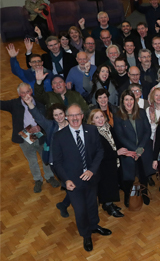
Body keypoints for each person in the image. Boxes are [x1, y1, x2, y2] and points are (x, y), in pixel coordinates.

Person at [52, 104, 111, 252]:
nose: (75, 118)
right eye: (71, 115)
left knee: (92, 205)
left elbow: (99, 151)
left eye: (77, 114)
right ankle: (86, 235)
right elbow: (57, 163)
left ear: (82, 115)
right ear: (66, 117)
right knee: (80, 210)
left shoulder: (91, 130)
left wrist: (92, 170)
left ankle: (94, 226)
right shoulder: (59, 136)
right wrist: (66, 180)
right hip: (73, 182)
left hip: (91, 177)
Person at [1, 83, 60, 194]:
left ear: (31, 91)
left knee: (45, 157)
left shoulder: (39, 103)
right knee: (32, 160)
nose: (25, 95)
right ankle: (38, 180)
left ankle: (50, 177)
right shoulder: (14, 104)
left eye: (27, 91)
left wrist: (40, 128)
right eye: (22, 93)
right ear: (19, 94)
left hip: (40, 135)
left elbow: (47, 120)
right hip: (24, 136)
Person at [113, 90, 154, 207]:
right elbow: (120, 136)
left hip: (143, 149)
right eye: (126, 99)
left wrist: (140, 148)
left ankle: (144, 192)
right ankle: (128, 195)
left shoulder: (141, 112)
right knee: (128, 177)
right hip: (128, 151)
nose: (129, 102)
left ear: (134, 100)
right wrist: (135, 150)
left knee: (143, 174)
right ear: (122, 101)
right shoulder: (118, 116)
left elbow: (147, 130)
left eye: (131, 99)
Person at [87, 109, 123, 218]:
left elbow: (115, 141)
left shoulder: (108, 127)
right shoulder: (93, 134)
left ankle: (110, 204)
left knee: (112, 184)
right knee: (106, 186)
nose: (100, 119)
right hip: (103, 165)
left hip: (112, 162)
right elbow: (100, 154)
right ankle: (108, 206)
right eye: (96, 117)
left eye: (101, 116)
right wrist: (116, 153)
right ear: (92, 120)